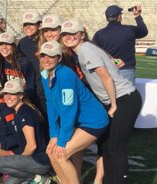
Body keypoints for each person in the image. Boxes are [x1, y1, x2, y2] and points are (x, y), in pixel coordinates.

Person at [61, 19, 143, 184]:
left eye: (73, 33)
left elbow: (106, 77)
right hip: (119, 98)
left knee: (115, 146)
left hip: (124, 98)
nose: (69, 37)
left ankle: (117, 180)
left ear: (82, 34)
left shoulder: (85, 50)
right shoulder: (83, 50)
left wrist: (112, 105)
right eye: (65, 34)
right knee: (107, 145)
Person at [38, 40, 109, 184]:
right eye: (43, 55)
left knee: (60, 155)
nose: (46, 59)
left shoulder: (66, 75)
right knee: (52, 152)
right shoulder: (45, 75)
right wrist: (53, 136)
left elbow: (68, 109)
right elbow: (51, 106)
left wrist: (62, 140)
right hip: (79, 121)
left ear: (59, 58)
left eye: (51, 56)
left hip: (94, 121)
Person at [0, 79, 52, 184]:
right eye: (5, 94)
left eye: (12, 93)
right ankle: (36, 178)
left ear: (21, 96)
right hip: (34, 160)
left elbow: (32, 146)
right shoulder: (19, 111)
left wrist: (19, 163)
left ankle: (37, 178)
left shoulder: (24, 112)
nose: (7, 97)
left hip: (38, 161)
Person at [92, 4, 148, 85]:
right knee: (128, 96)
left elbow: (94, 53)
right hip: (127, 69)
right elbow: (144, 31)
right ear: (119, 17)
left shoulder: (99, 34)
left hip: (108, 70)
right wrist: (137, 16)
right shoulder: (129, 30)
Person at [0, 32, 37, 103]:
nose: (4, 47)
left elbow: (30, 88)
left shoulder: (24, 62)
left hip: (23, 100)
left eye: (8, 44)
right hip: (8, 99)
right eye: (1, 44)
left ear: (14, 46)